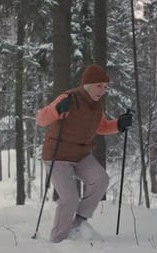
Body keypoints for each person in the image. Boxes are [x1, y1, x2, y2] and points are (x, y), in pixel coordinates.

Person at [36, 64, 133, 242]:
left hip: (80, 155)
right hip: (57, 156)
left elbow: (101, 127)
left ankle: (78, 224)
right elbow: (41, 119)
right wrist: (57, 110)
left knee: (100, 179)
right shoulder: (69, 98)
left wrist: (119, 124)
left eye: (105, 87)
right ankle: (58, 240)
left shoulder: (97, 105)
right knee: (70, 198)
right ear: (87, 84)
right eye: (99, 86)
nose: (102, 90)